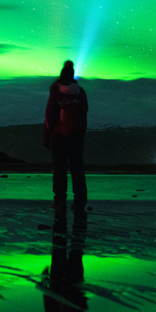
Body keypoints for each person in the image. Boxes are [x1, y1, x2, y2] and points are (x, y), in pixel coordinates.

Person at [43, 60, 88, 214]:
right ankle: (80, 202)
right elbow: (84, 112)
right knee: (77, 168)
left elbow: (50, 115)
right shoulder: (80, 92)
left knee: (60, 169)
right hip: (76, 136)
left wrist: (46, 136)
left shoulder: (56, 92)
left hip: (58, 136)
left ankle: (60, 202)